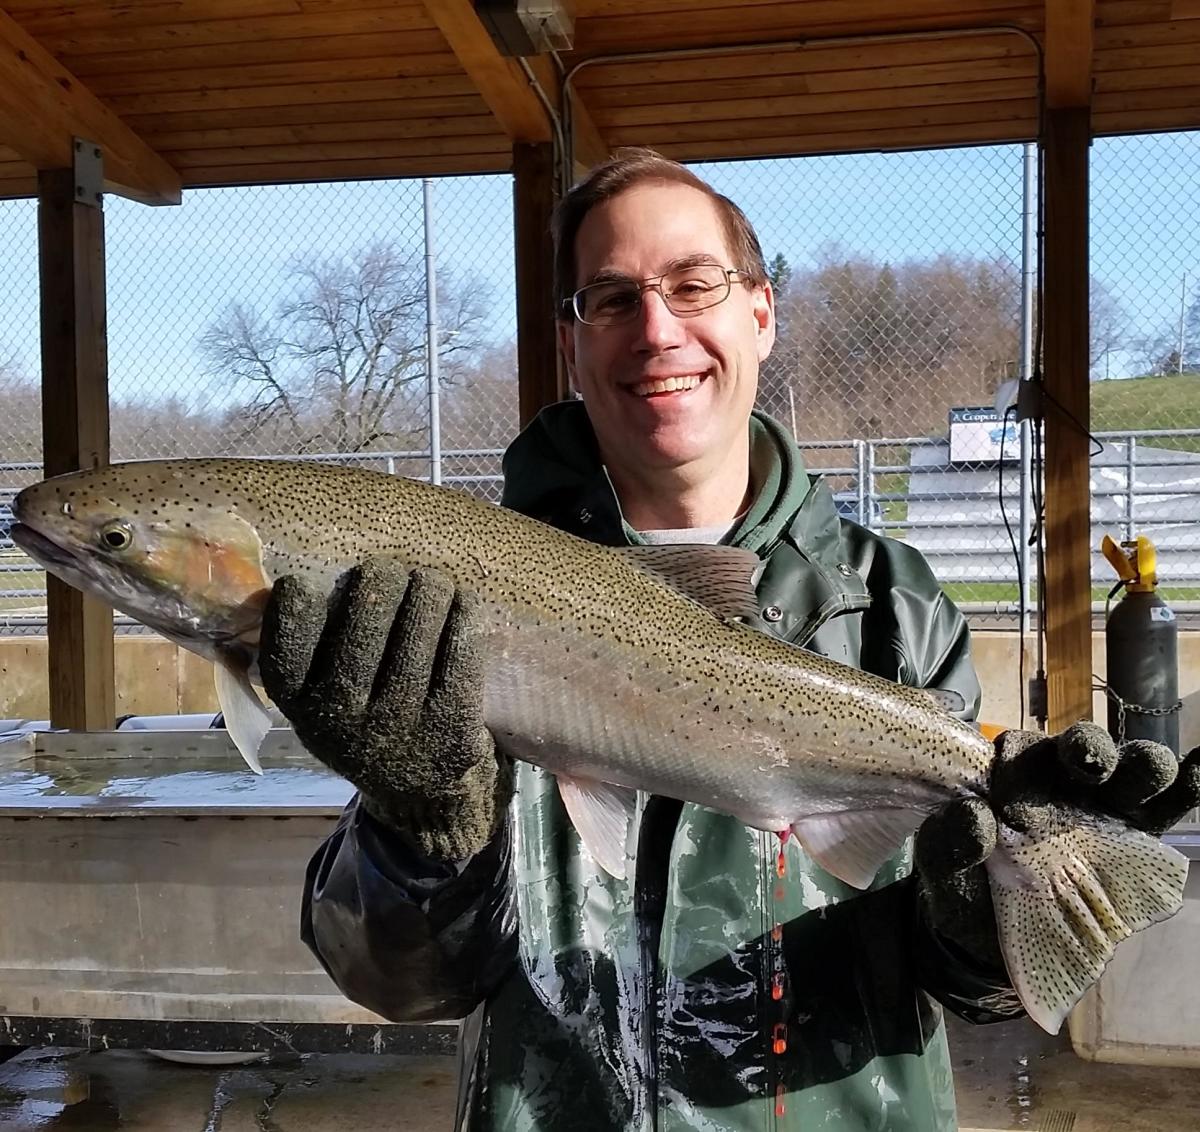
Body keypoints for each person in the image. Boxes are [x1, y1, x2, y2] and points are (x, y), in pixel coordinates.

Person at [259, 149, 1200, 1131]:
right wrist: (423, 826)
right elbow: (399, 983)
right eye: (612, 298)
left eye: (691, 284)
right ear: (570, 342)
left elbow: (972, 985)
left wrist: (983, 919)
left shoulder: (896, 601)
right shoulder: (448, 597)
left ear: (760, 310)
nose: (658, 328)